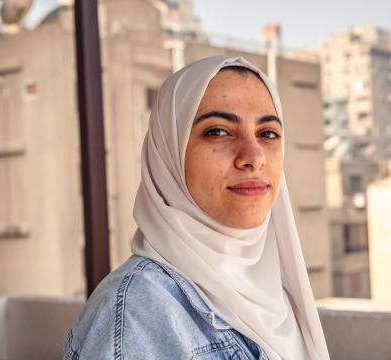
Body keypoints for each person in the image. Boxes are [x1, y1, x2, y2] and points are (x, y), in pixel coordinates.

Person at [64, 56, 330, 360]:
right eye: (218, 131)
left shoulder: (277, 294)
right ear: (169, 155)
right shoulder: (138, 312)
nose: (254, 157)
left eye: (267, 133)